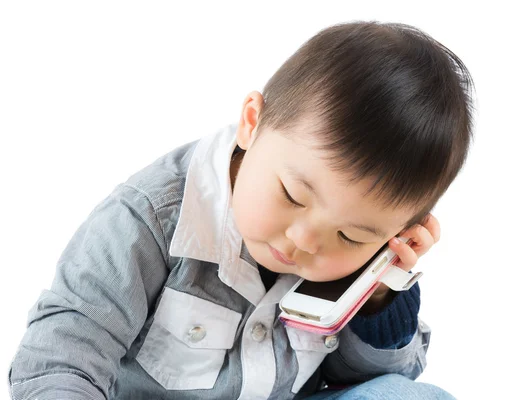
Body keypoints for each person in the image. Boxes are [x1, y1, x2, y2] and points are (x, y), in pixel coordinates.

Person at [8, 21, 473, 399]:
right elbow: (62, 355)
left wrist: (379, 290)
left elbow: (367, 379)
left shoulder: (365, 260)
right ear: (253, 123)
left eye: (351, 236)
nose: (305, 242)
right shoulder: (148, 219)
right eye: (293, 195)